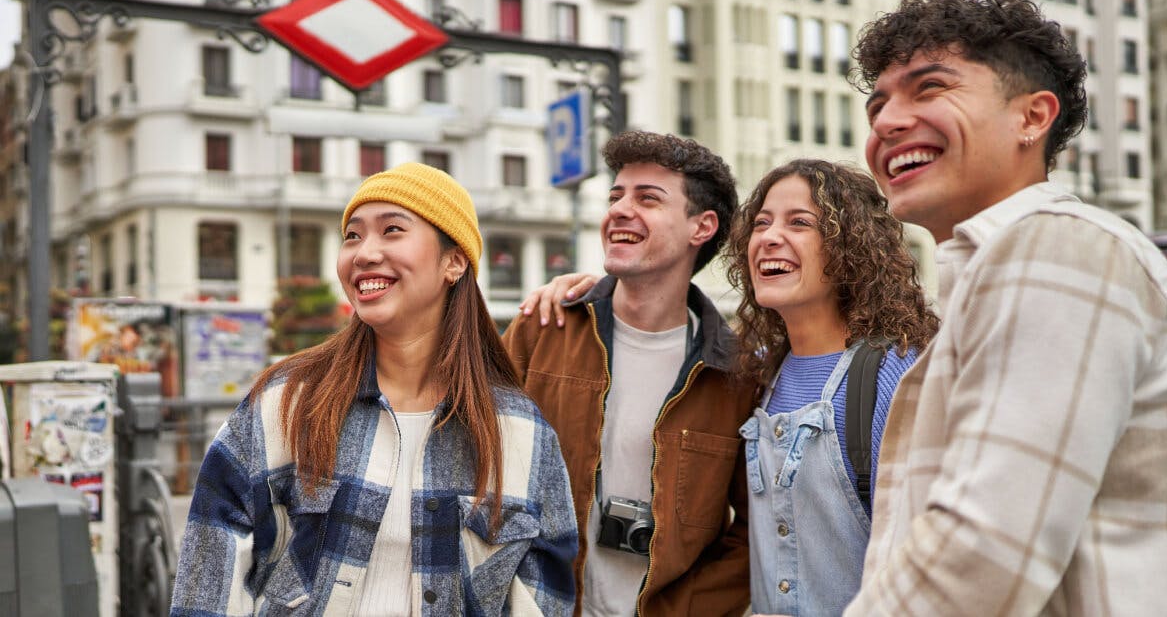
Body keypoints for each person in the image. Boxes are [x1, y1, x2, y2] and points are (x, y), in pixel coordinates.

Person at [843, 0, 1167, 614]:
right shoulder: (1005, 263)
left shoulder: (1055, 247)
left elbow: (982, 553)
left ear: (1032, 117)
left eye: (928, 89)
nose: (886, 122)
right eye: (878, 103)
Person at [171, 162, 578, 616]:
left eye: (392, 230)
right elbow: (206, 579)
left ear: (454, 260)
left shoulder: (520, 432)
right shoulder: (286, 403)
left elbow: (544, 601)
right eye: (353, 235)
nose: (364, 253)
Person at [501, 130, 752, 616]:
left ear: (701, 227)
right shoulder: (543, 328)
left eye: (647, 198)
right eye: (615, 195)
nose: (618, 209)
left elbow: (752, 529)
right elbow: (472, 461)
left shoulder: (736, 374)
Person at [727, 159, 937, 615]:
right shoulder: (760, 374)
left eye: (799, 222)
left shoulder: (896, 376)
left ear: (850, 247)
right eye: (760, 223)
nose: (769, 237)